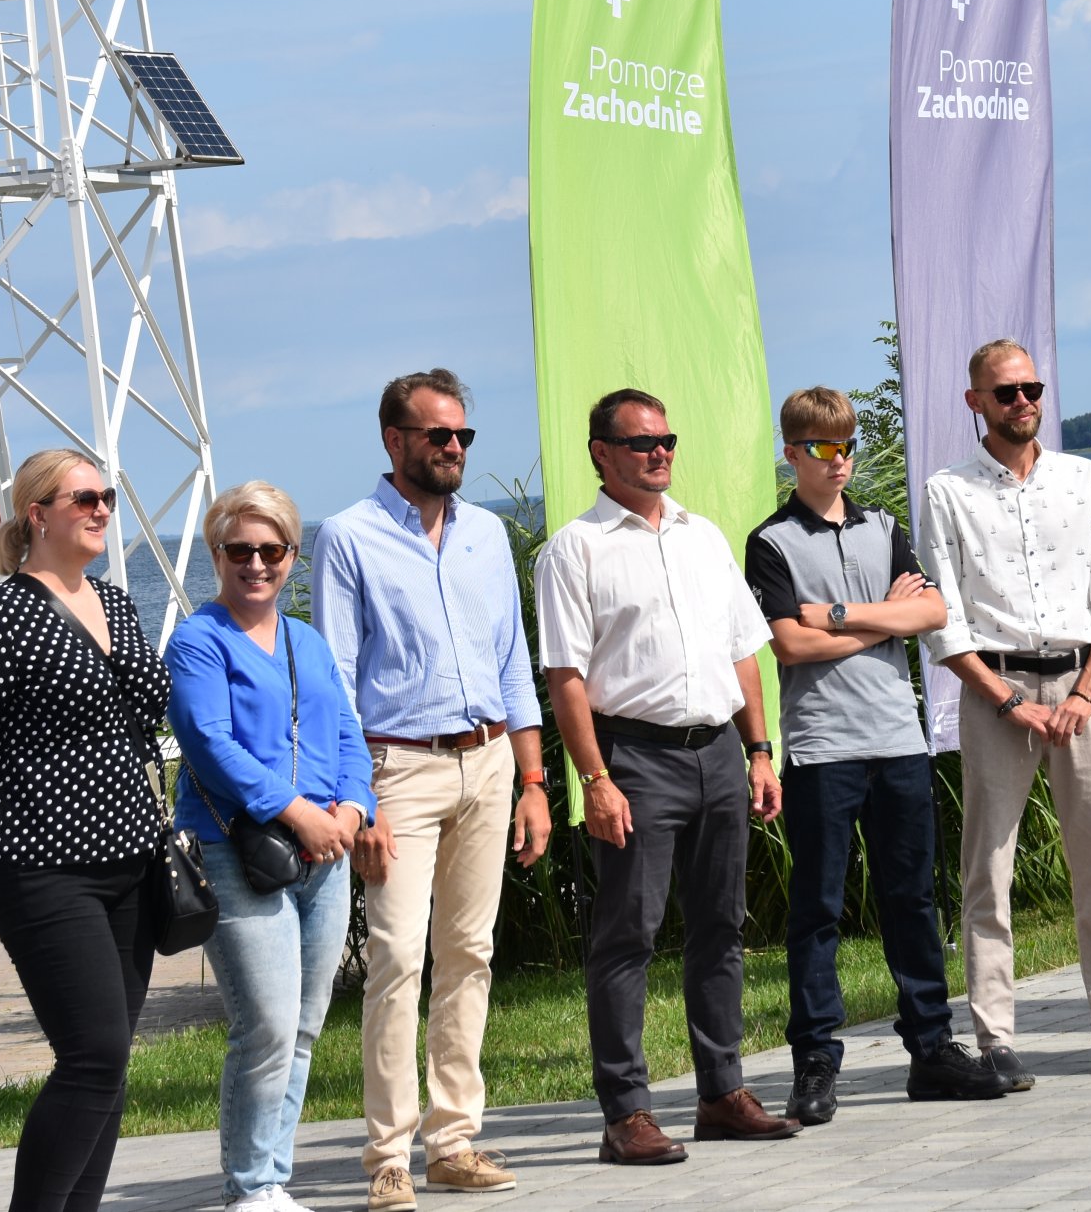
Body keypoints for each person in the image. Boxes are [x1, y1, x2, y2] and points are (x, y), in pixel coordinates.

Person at [535, 388, 799, 1164]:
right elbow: (566, 677)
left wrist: (759, 749)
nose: (659, 453)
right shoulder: (573, 549)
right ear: (602, 453)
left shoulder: (703, 536)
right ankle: (627, 1111)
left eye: (667, 440)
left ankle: (721, 1091)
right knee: (628, 934)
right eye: (642, 441)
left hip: (719, 748)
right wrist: (595, 779)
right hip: (635, 758)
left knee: (721, 927)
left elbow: (741, 650)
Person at [311, 370, 551, 1209]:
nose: (453, 448)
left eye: (463, 436)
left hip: (488, 762)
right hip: (395, 769)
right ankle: (387, 1154)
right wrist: (358, 803)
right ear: (395, 441)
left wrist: (533, 777)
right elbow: (336, 682)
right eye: (437, 435)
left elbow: (513, 662)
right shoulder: (346, 537)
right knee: (398, 957)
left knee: (471, 953)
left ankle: (454, 1141)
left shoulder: (488, 533)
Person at [745, 386, 1006, 1125]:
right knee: (818, 911)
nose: (839, 461)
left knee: (912, 901)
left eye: (848, 446)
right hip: (823, 747)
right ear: (792, 451)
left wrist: (837, 615)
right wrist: (879, 621)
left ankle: (930, 1049)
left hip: (899, 740)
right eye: (823, 448)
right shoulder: (770, 542)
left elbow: (930, 612)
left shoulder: (885, 525)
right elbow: (788, 643)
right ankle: (817, 1061)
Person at [0, 448, 171, 1212]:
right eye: (84, 496)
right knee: (91, 1055)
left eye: (108, 495)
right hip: (40, 868)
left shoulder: (117, 604)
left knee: (111, 1062)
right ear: (37, 513)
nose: (101, 508)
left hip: (133, 861)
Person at [920, 340, 1091, 1088]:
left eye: (1032, 387)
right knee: (987, 871)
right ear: (976, 403)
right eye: (1006, 392)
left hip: (1081, 689)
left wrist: (1087, 691)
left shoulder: (1081, 478)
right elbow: (944, 615)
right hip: (996, 694)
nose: (1023, 400)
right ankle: (995, 1037)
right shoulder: (948, 490)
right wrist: (1006, 701)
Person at [170, 480, 373, 1212]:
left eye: (273, 549)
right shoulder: (198, 639)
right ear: (216, 554)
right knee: (267, 1024)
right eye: (240, 549)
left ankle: (274, 1179)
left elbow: (347, 731)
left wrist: (352, 807)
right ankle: (249, 1186)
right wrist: (297, 812)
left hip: (325, 851)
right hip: (238, 849)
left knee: (305, 1026)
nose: (257, 563)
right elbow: (208, 742)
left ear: (292, 555)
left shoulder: (306, 640)